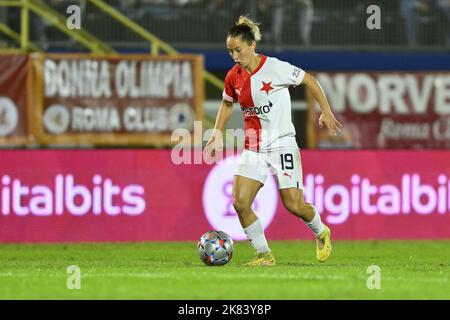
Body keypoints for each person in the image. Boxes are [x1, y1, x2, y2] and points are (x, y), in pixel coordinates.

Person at [204, 16, 343, 266]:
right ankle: (264, 255)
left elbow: (309, 80)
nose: (234, 55)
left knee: (294, 205)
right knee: (240, 202)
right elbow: (226, 103)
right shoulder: (233, 77)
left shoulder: (274, 67)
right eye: (230, 51)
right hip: (254, 146)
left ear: (252, 46)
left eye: (238, 50)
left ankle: (322, 232)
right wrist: (216, 132)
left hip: (282, 143)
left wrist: (326, 110)